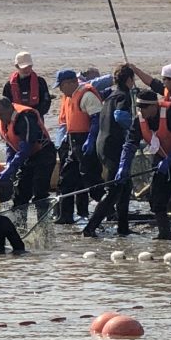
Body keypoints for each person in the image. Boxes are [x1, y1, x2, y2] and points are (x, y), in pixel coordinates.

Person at [82, 66, 138, 239]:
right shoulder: (124, 95)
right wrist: (136, 128)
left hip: (103, 144)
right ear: (129, 80)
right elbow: (120, 116)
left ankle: (123, 228)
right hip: (113, 147)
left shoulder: (110, 96)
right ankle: (90, 228)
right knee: (114, 189)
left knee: (125, 186)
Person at [132, 89, 171, 241]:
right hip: (161, 156)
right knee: (157, 198)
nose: (141, 111)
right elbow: (130, 143)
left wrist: (170, 160)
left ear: (154, 106)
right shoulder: (139, 120)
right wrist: (123, 167)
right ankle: (164, 234)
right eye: (138, 107)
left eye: (143, 107)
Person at [0, 95, 57, 220]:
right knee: (20, 194)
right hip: (26, 157)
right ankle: (20, 225)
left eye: (0, 115)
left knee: (40, 192)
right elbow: (10, 143)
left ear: (9, 109)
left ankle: (42, 224)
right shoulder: (3, 120)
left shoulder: (25, 117)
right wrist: (9, 164)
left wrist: (12, 167)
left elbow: (26, 147)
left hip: (43, 155)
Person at [54, 68, 103, 224]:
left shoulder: (86, 95)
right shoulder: (70, 96)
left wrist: (90, 140)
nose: (60, 89)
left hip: (86, 142)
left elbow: (97, 119)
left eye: (61, 86)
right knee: (66, 180)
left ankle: (108, 211)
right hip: (73, 142)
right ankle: (65, 216)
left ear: (71, 83)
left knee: (92, 180)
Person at [2, 51, 52, 117]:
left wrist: (36, 113)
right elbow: (5, 104)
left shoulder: (40, 82)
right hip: (17, 118)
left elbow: (46, 101)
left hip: (36, 117)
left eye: (29, 66)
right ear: (17, 66)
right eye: (24, 67)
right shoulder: (9, 85)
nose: (27, 69)